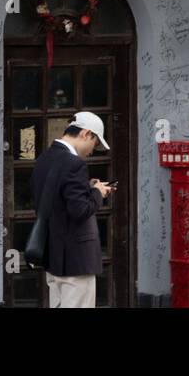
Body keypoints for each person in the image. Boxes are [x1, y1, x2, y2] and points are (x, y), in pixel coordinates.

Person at [30, 111, 113, 308]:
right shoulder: (74, 163)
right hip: (76, 259)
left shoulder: (44, 159)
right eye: (95, 143)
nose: (93, 150)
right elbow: (80, 211)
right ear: (85, 134)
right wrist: (97, 193)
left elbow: (55, 200)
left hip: (53, 255)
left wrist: (87, 187)